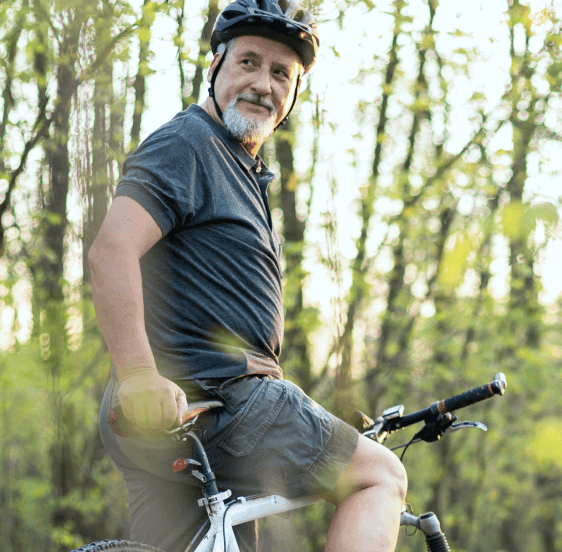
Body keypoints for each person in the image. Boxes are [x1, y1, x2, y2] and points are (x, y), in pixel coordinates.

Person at [87, 1, 407, 551]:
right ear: (215, 67)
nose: (263, 83)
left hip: (177, 417)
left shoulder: (239, 165)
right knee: (380, 477)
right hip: (222, 396)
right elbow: (111, 250)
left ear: (293, 94)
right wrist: (139, 375)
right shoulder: (188, 144)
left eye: (281, 73)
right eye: (249, 63)